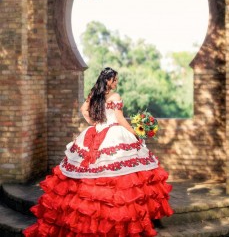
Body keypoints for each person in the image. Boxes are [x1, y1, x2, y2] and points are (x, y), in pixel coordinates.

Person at [23, 67, 173, 237]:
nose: (116, 83)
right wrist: (135, 134)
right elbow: (120, 119)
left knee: (95, 173)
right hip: (113, 133)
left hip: (96, 131)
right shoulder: (115, 97)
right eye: (114, 80)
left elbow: (83, 110)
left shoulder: (93, 94)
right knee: (120, 176)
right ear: (108, 80)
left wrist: (94, 123)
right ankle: (118, 219)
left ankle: (93, 217)